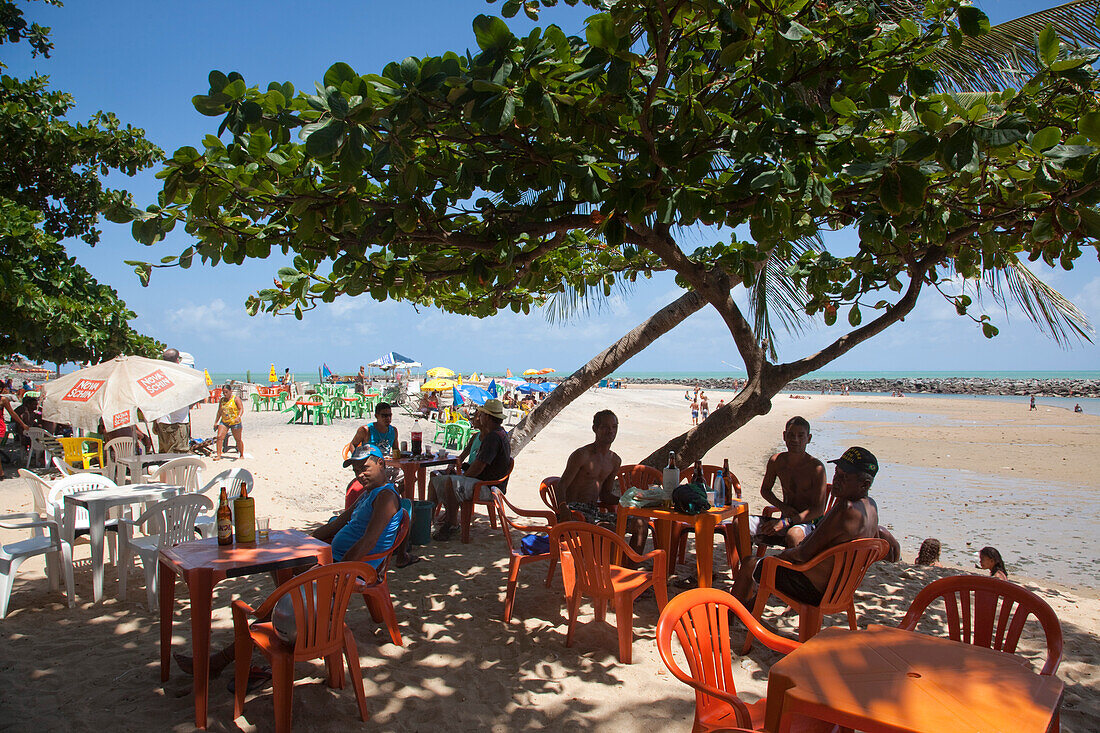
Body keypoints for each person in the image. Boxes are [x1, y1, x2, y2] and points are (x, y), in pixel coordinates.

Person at [177, 443, 407, 680]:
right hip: (333, 560)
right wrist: (299, 542)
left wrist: (336, 572)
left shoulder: (386, 497)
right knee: (284, 566)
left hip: (352, 568)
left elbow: (367, 542)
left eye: (365, 467)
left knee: (286, 593)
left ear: (382, 463)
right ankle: (299, 618)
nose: (360, 474)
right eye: (356, 469)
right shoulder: (367, 495)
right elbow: (335, 525)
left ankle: (225, 657)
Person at [731, 446, 881, 607]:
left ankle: (730, 615)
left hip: (811, 589)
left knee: (748, 564)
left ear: (864, 485)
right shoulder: (871, 507)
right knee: (768, 561)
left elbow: (802, 554)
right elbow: (881, 545)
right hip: (840, 590)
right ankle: (751, 607)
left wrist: (777, 558)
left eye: (845, 477)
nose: (836, 479)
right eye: (837, 472)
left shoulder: (845, 509)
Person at [428, 398, 511, 541]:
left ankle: (451, 523)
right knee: (443, 480)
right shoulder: (500, 434)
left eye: (483, 414)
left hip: (489, 487)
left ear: (488, 417)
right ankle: (439, 519)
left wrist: (463, 476)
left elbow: (479, 466)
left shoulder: (493, 437)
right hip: (491, 484)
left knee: (450, 482)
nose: (480, 416)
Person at [748, 416, 828, 548]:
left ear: (809, 438)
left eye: (800, 435)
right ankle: (746, 564)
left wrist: (787, 522)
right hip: (784, 520)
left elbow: (818, 510)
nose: (795, 440)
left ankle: (790, 568)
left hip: (809, 524)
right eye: (791, 435)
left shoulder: (816, 468)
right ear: (784, 436)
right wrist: (783, 507)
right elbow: (765, 490)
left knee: (793, 535)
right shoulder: (776, 461)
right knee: (741, 523)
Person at [558, 410, 622, 526]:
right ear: (595, 429)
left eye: (614, 427)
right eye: (605, 427)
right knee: (609, 530)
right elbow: (561, 485)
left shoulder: (615, 460)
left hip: (594, 511)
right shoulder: (582, 455)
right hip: (575, 511)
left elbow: (605, 495)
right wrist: (563, 507)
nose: (611, 431)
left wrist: (626, 500)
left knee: (639, 525)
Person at [153, 348, 192, 453]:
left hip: (161, 421)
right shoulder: (180, 374)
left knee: (164, 454)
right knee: (178, 456)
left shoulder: (157, 375)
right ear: (177, 360)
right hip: (177, 422)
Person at [214, 384, 245, 460]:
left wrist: (239, 417)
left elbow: (241, 409)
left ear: (231, 391)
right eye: (223, 392)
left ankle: (241, 454)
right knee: (219, 437)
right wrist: (216, 422)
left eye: (226, 392)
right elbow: (219, 411)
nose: (225, 394)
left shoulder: (236, 399)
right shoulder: (222, 400)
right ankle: (218, 455)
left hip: (235, 422)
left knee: (238, 439)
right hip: (224, 421)